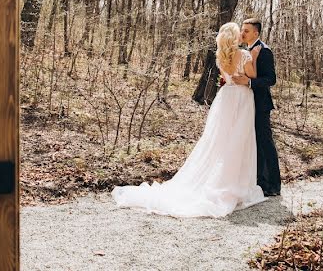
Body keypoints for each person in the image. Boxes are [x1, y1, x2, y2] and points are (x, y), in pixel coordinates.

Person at [111, 22, 266, 217]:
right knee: (239, 139)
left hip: (226, 98)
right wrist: (254, 57)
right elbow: (252, 75)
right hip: (242, 98)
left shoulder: (220, 57)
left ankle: (221, 179)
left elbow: (227, 78)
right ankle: (234, 184)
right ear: (235, 37)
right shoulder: (243, 55)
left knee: (219, 140)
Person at [229, 18, 281, 196]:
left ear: (256, 33)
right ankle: (258, 181)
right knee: (252, 142)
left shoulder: (265, 51)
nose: (242, 34)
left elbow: (271, 79)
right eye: (242, 30)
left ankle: (273, 185)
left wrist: (249, 82)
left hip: (260, 103)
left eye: (246, 31)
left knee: (265, 141)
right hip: (244, 104)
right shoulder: (243, 52)